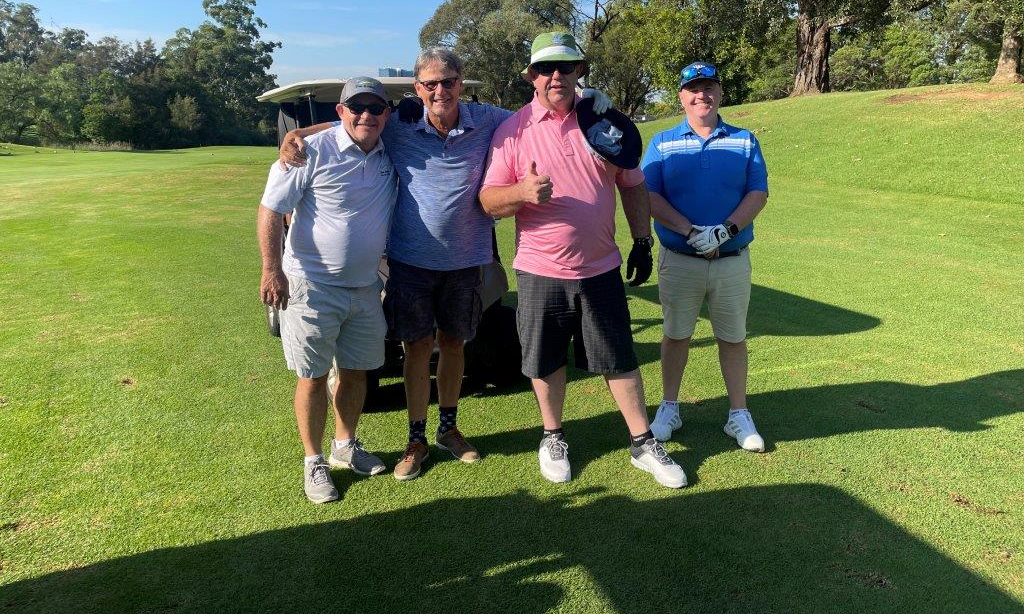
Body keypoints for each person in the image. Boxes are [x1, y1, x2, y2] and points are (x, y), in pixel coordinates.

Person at [280, 49, 614, 481]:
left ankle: (448, 430)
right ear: (418, 88)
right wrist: (299, 134)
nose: (441, 91)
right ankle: (416, 438)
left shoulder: (488, 119)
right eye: (431, 84)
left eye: (449, 81)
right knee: (417, 349)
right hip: (410, 261)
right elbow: (353, 122)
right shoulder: (398, 123)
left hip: (466, 259)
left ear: (461, 82)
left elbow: (538, 114)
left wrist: (590, 102)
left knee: (455, 345)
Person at [479, 31, 687, 489]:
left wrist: (642, 241)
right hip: (539, 269)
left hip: (600, 267)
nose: (555, 76)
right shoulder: (512, 131)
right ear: (531, 76)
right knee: (545, 359)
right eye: (545, 68)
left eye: (565, 67)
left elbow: (632, 184)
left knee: (618, 357)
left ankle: (642, 441)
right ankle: (553, 436)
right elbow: (489, 200)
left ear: (580, 72)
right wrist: (522, 192)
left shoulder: (603, 122)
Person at [258, 77, 397, 503]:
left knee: (356, 372)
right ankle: (313, 460)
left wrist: (300, 129)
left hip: (365, 287)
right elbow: (270, 211)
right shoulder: (308, 152)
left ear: (387, 113)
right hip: (311, 285)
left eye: (376, 108)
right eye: (357, 107)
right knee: (313, 377)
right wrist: (271, 270)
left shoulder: (391, 147)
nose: (367, 115)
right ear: (340, 111)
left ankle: (345, 444)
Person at [641, 61, 769, 452]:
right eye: (694, 89)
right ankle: (669, 408)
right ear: (681, 96)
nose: (702, 95)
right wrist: (691, 232)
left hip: (731, 258)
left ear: (720, 93)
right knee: (676, 334)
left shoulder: (744, 140)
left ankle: (738, 414)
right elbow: (648, 195)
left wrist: (724, 231)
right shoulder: (662, 142)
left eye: (709, 87)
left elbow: (758, 193)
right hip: (681, 258)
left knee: (733, 337)